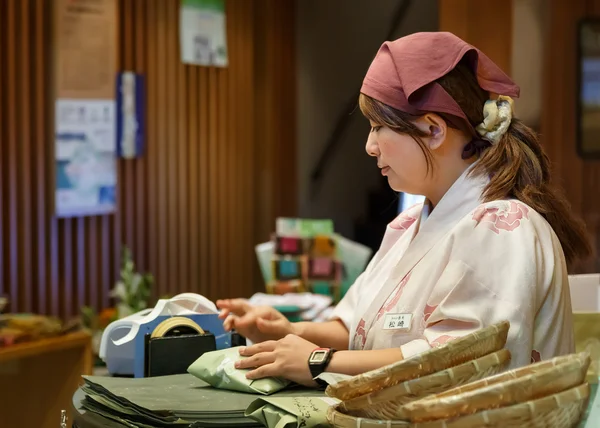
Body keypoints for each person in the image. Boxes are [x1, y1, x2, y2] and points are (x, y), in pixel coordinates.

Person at [217, 32, 591, 387]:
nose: (370, 146)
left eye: (380, 127)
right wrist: (289, 333)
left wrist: (318, 361)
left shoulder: (504, 227)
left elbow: (458, 362)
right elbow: (355, 329)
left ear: (433, 129)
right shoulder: (407, 224)